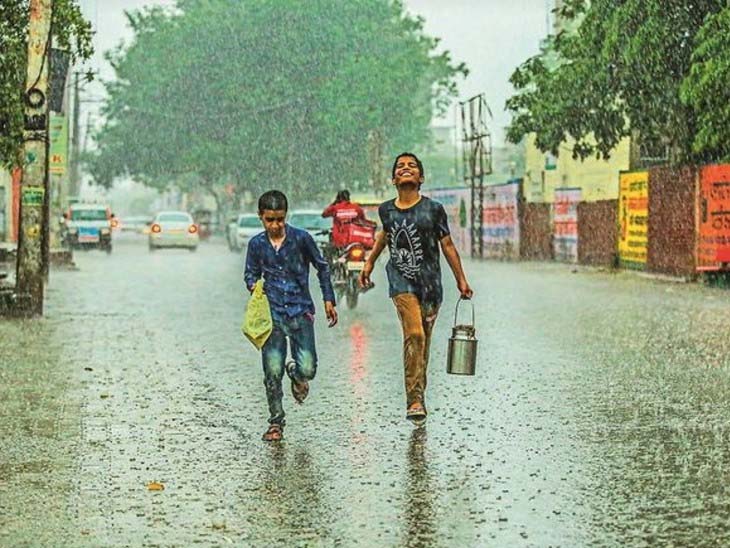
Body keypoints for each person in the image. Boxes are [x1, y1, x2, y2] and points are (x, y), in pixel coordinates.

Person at [359, 153, 473, 427]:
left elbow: (446, 245)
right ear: (394, 179)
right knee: (414, 333)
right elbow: (384, 236)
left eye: (412, 166)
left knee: (422, 341)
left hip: (431, 285)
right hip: (401, 282)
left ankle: (419, 394)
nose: (406, 169)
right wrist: (369, 263)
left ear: (420, 178)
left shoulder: (433, 210)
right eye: (400, 166)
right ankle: (413, 399)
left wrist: (461, 279)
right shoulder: (387, 210)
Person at [244, 190, 338, 441]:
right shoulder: (256, 245)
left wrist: (329, 298)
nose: (275, 225)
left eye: (280, 219)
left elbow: (322, 267)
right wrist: (254, 285)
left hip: (300, 311)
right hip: (271, 315)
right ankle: (276, 422)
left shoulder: (301, 239)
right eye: (269, 220)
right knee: (272, 371)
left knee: (308, 368)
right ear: (260, 218)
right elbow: (250, 274)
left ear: (286, 216)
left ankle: (296, 375)